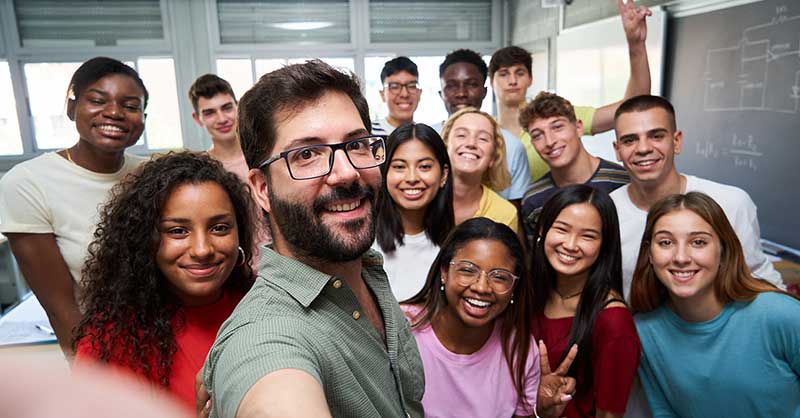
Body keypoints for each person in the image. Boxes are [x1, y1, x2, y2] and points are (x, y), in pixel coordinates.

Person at [202, 60, 424, 418]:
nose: (347, 173)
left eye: (357, 145)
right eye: (306, 154)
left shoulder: (367, 272)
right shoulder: (264, 337)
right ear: (262, 190)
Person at [73, 152, 255, 411]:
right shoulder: (109, 342)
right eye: (177, 231)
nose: (202, 249)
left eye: (219, 228)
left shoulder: (265, 307)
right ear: (144, 240)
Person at [0, 57, 148, 356]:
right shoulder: (29, 182)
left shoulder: (150, 175)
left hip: (170, 333)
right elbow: (60, 306)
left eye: (130, 106)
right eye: (97, 100)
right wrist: (90, 368)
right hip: (102, 346)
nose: (115, 112)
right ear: (71, 107)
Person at [630, 192, 800, 418]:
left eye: (698, 242)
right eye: (666, 242)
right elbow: (665, 412)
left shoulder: (780, 315)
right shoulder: (643, 331)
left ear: (723, 250)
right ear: (650, 254)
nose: (681, 257)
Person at [611, 94, 783, 298]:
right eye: (630, 140)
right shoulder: (606, 212)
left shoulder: (731, 203)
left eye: (656, 136)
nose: (644, 148)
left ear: (676, 141)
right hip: (639, 328)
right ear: (617, 150)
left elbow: (759, 279)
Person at [490, 0, 652, 182]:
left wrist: (636, 46)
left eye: (519, 72)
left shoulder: (558, 114)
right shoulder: (485, 132)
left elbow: (632, 108)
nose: (512, 81)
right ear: (491, 81)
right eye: (504, 74)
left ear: (530, 79)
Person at [402, 217, 539, 417]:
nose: (481, 287)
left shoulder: (520, 349)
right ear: (444, 272)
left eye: (499, 277)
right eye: (467, 270)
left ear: (513, 288)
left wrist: (541, 411)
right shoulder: (400, 329)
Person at [530, 184, 640, 418]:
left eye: (587, 236)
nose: (570, 245)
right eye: (561, 229)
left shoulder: (613, 321)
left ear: (604, 245)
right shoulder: (529, 293)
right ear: (542, 229)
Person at [518, 92, 629, 245]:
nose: (549, 141)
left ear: (578, 128)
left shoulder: (622, 181)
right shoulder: (533, 199)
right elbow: (536, 260)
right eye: (538, 135)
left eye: (557, 127)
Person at [432, 49, 531, 205]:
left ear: (485, 91)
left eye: (471, 84)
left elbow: (515, 216)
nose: (461, 93)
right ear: (441, 93)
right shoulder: (425, 140)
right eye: (452, 86)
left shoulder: (511, 146)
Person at [373, 123, 454, 301]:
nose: (411, 178)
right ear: (384, 172)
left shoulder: (456, 248)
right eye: (399, 167)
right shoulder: (363, 242)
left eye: (424, 167)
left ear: (443, 175)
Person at [441, 107, 518, 232]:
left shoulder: (504, 214)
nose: (471, 143)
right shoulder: (423, 197)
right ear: (445, 147)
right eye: (461, 135)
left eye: (483, 138)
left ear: (493, 157)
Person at [188, 74, 248, 181]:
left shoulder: (263, 154)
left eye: (227, 108)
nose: (222, 119)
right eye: (209, 113)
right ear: (197, 118)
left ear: (238, 107)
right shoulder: (200, 169)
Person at [372, 57, 421, 136]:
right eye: (395, 87)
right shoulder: (368, 135)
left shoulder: (425, 136)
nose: (404, 94)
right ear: (382, 94)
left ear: (419, 93)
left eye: (411, 86)